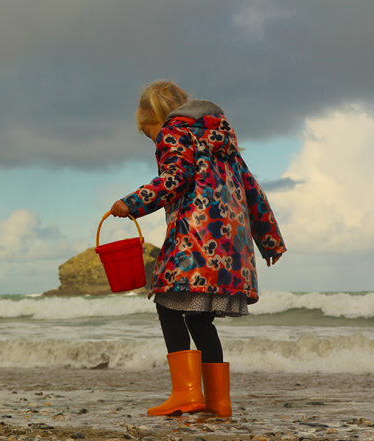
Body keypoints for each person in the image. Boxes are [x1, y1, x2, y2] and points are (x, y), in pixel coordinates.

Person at [111, 80, 286, 417]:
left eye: (148, 134)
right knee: (200, 321)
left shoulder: (173, 132)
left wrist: (131, 203)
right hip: (231, 247)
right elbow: (252, 191)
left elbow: (176, 177)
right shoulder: (222, 140)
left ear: (157, 120)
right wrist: (270, 240)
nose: (153, 141)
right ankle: (219, 402)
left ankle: (186, 394)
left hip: (195, 239)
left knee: (166, 302)